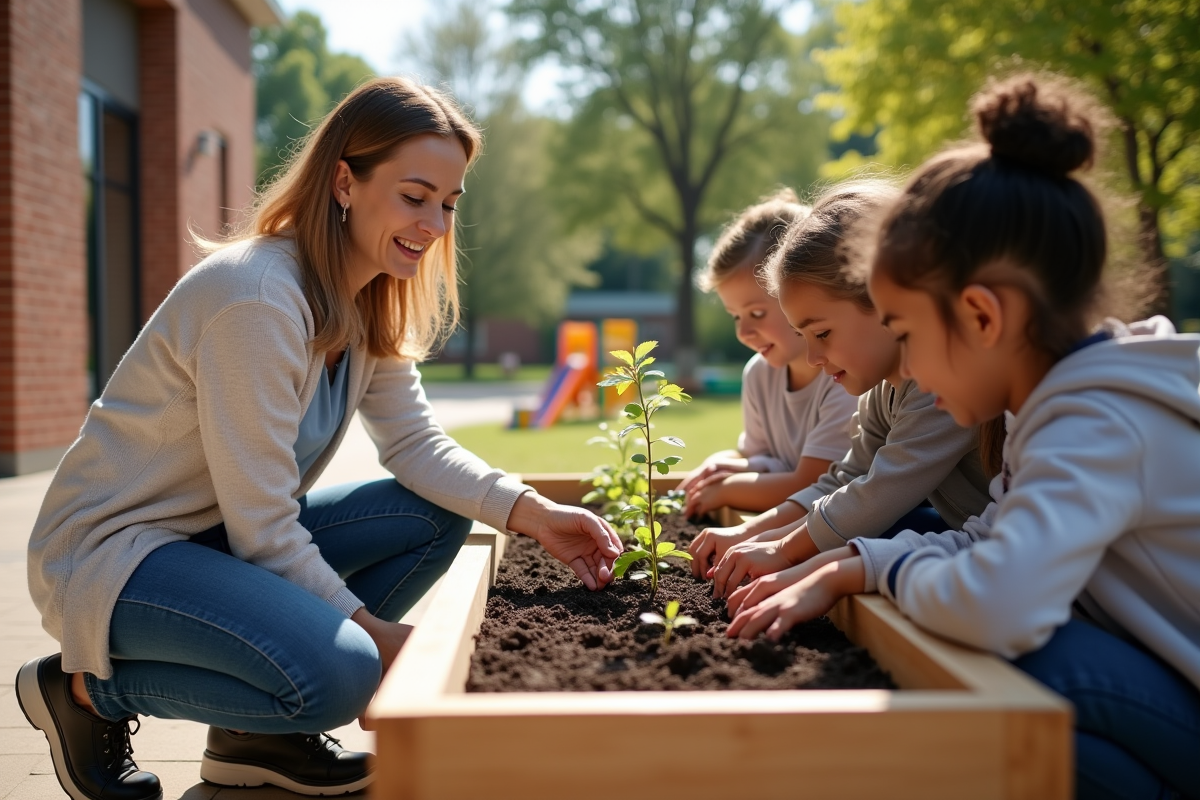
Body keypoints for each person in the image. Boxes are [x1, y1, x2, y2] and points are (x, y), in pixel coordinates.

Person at [16, 77, 621, 800]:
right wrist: (373, 636)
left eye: (449, 203)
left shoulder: (368, 299)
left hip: (213, 541)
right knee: (342, 675)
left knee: (431, 515)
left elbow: (417, 448)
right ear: (345, 180)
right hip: (113, 557)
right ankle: (85, 694)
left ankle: (254, 739)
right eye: (414, 195)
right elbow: (265, 524)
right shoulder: (259, 299)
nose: (433, 224)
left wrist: (533, 513)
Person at [724, 74, 1200, 800]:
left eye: (907, 334)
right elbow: (990, 534)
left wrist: (875, 568)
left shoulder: (1095, 420)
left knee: (1022, 670)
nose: (905, 365)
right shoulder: (1056, 407)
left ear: (981, 317)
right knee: (1002, 730)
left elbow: (1000, 605)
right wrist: (852, 566)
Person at [689, 180, 996, 599]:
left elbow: (879, 492)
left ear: (886, 302)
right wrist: (753, 533)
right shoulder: (878, 390)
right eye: (804, 335)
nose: (814, 357)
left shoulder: (937, 384)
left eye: (823, 333)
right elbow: (846, 478)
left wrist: (783, 550)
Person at [677, 189, 857, 520]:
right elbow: (767, 462)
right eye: (735, 316)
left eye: (756, 313)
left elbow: (812, 484)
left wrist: (726, 490)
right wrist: (725, 464)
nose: (743, 332)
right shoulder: (759, 374)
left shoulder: (845, 376)